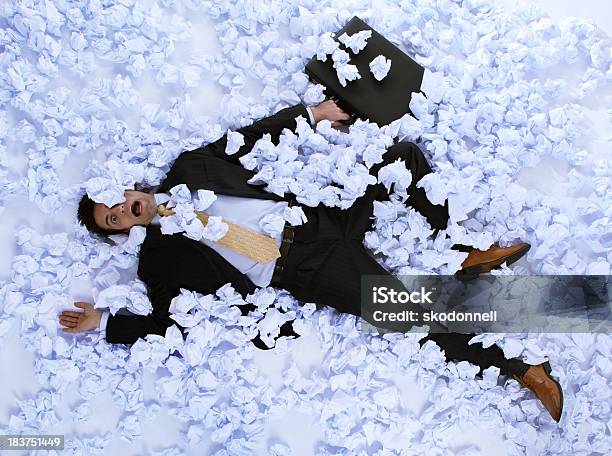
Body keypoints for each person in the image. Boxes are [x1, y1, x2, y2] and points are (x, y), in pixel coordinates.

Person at [60, 100, 563, 422]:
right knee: (404, 314)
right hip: (301, 269)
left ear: (128, 188)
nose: (124, 211)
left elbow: (249, 138)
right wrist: (104, 322)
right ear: (122, 232)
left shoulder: (190, 169)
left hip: (318, 213)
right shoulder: (160, 263)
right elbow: (169, 323)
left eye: (117, 202)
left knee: (402, 160)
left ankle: (461, 250)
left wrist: (312, 115)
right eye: (114, 221)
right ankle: (520, 369)